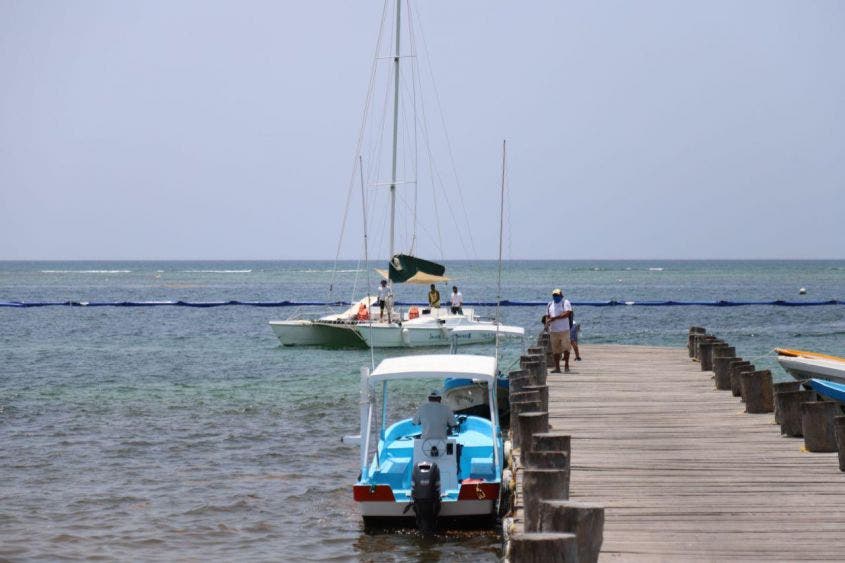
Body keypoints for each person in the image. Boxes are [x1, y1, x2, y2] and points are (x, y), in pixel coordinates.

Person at [545, 288, 572, 373]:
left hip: (564, 330)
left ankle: (566, 365)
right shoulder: (549, 304)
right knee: (555, 350)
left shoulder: (565, 302)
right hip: (553, 331)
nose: (555, 297)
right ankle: (557, 368)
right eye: (554, 295)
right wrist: (547, 323)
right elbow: (547, 316)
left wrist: (554, 318)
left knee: (566, 348)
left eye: (557, 295)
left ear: (561, 295)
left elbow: (567, 313)